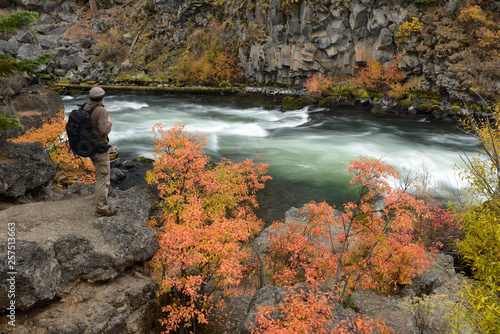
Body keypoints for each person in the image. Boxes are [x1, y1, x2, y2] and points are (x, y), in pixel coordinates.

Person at [86, 86, 117, 217]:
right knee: (102, 178)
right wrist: (109, 122)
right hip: (99, 147)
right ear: (102, 98)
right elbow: (105, 130)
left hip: (87, 147)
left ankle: (107, 189)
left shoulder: (83, 107)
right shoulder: (100, 111)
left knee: (103, 170)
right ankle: (102, 209)